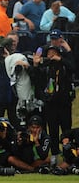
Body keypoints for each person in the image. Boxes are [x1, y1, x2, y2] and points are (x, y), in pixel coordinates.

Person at [31, 31, 75, 167]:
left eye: (53, 53)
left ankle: (69, 155)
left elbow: (74, 67)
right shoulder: (46, 67)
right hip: (50, 103)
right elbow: (35, 79)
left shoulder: (63, 65)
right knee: (53, 131)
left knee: (66, 130)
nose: (51, 55)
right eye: (49, 53)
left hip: (64, 103)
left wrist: (62, 57)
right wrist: (36, 64)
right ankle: (55, 155)